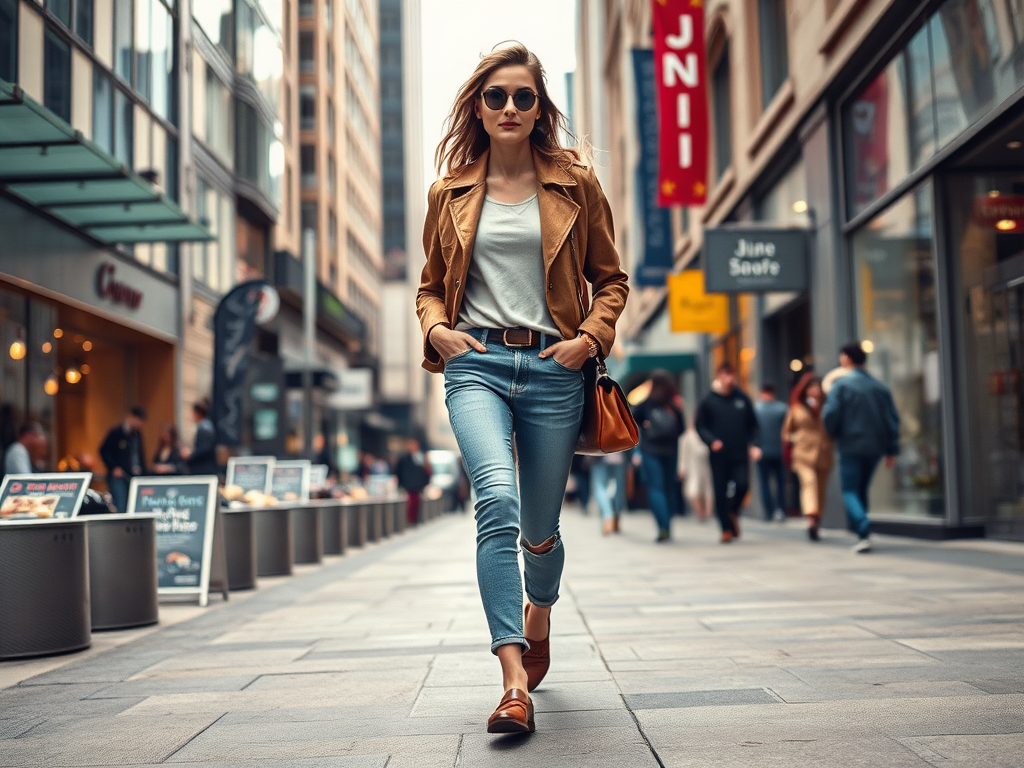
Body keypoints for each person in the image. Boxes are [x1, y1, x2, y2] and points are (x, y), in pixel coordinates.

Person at [417, 43, 628, 734]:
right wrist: (439, 330)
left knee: (540, 532)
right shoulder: (448, 191)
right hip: (475, 363)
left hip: (553, 369)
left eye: (523, 97)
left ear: (540, 109)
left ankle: (541, 609)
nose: (509, 108)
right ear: (478, 106)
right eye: (496, 96)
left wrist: (589, 339)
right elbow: (428, 285)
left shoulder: (575, 183)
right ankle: (512, 680)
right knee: (496, 502)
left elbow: (612, 279)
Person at [822, 342, 900, 553]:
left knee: (849, 489)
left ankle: (863, 526)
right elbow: (892, 420)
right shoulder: (880, 387)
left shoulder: (841, 386)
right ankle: (862, 534)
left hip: (850, 445)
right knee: (861, 488)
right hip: (875, 447)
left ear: (846, 358)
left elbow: (830, 415)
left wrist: (832, 433)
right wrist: (891, 450)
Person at [695, 363, 762, 543]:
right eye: (726, 375)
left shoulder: (742, 398)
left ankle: (732, 511)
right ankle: (725, 529)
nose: (729, 379)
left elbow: (753, 425)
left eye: (732, 375)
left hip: (740, 453)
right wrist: (711, 441)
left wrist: (755, 444)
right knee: (720, 492)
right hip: (718, 455)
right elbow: (700, 426)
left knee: (743, 485)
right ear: (718, 376)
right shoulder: (708, 400)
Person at [631, 371, 685, 542]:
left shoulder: (647, 403)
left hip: (651, 450)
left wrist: (646, 429)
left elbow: (632, 421)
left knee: (655, 488)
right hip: (671, 451)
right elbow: (681, 429)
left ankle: (663, 526)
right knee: (669, 487)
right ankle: (668, 524)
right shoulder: (673, 404)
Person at [783, 373, 834, 541]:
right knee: (809, 483)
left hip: (824, 453)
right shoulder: (796, 408)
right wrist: (797, 439)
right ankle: (811, 517)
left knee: (820, 489)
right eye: (811, 387)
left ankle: (816, 521)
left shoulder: (828, 407)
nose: (815, 390)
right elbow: (786, 433)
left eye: (818, 387)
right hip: (803, 454)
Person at [99, 406, 147, 513]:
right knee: (121, 503)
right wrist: (113, 467)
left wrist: (144, 472)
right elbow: (103, 451)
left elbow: (140, 455)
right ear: (132, 417)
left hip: (134, 476)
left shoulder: (137, 435)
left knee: (133, 503)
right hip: (119, 477)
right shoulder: (116, 432)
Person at [754, 383, 789, 522]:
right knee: (781, 483)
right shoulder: (783, 409)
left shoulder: (756, 409)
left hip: (761, 452)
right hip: (779, 452)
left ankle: (769, 512)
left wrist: (753, 446)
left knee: (764, 483)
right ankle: (781, 510)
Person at [678, 421, 714, 523]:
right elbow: (683, 453)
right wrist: (682, 468)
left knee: (707, 489)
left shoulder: (707, 433)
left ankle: (707, 512)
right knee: (694, 490)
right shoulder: (687, 436)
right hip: (692, 466)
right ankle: (700, 512)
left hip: (706, 465)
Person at [395, 438, 431, 525]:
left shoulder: (420, 457)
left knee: (416, 502)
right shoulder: (404, 458)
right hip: (408, 484)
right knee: (410, 502)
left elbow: (425, 471)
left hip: (417, 485)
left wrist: (424, 483)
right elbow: (399, 471)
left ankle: (414, 519)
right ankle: (410, 519)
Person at [591, 453, 627, 534]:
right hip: (619, 450)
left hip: (598, 452)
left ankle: (607, 516)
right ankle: (616, 518)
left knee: (600, 486)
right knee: (619, 486)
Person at [182, 399, 218, 476]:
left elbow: (205, 448)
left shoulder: (205, 428)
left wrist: (190, 455)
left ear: (198, 413)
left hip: (203, 469)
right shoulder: (204, 426)